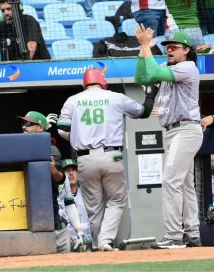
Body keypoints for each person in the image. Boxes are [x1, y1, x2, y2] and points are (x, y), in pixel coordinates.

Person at [57, 67, 156, 251]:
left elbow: (62, 129)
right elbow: (144, 112)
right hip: (112, 156)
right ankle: (105, 240)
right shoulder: (115, 96)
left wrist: (79, 135)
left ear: (84, 83)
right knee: (117, 200)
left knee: (94, 206)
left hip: (85, 159)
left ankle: (97, 244)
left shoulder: (73, 100)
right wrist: (151, 93)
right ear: (103, 82)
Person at [134, 26, 203, 249]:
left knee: (171, 180)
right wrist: (142, 50)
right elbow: (141, 77)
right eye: (167, 47)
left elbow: (153, 74)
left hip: (186, 130)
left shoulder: (188, 67)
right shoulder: (165, 65)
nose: (169, 49)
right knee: (184, 185)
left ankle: (174, 236)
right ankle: (192, 234)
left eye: (174, 47)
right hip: (174, 132)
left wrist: (147, 46)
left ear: (186, 50)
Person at [17, 111, 84, 253]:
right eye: (23, 123)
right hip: (29, 221)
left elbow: (64, 190)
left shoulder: (52, 150)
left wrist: (53, 169)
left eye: (28, 124)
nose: (24, 127)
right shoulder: (20, 148)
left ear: (40, 128)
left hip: (56, 224)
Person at [59, 159, 92, 252]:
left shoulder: (86, 194)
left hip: (88, 246)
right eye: (67, 170)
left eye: (73, 169)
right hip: (68, 246)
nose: (71, 173)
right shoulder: (59, 198)